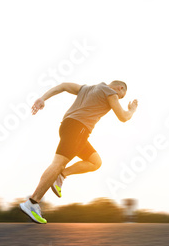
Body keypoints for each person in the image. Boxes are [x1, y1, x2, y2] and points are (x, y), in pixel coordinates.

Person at [20, 80, 138, 224]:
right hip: (78, 129)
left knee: (95, 162)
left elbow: (63, 86)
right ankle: (32, 202)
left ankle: (62, 176)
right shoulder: (111, 92)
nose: (118, 99)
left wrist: (43, 98)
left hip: (68, 127)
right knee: (58, 164)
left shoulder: (87, 89)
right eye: (121, 96)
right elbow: (123, 117)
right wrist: (132, 109)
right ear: (120, 88)